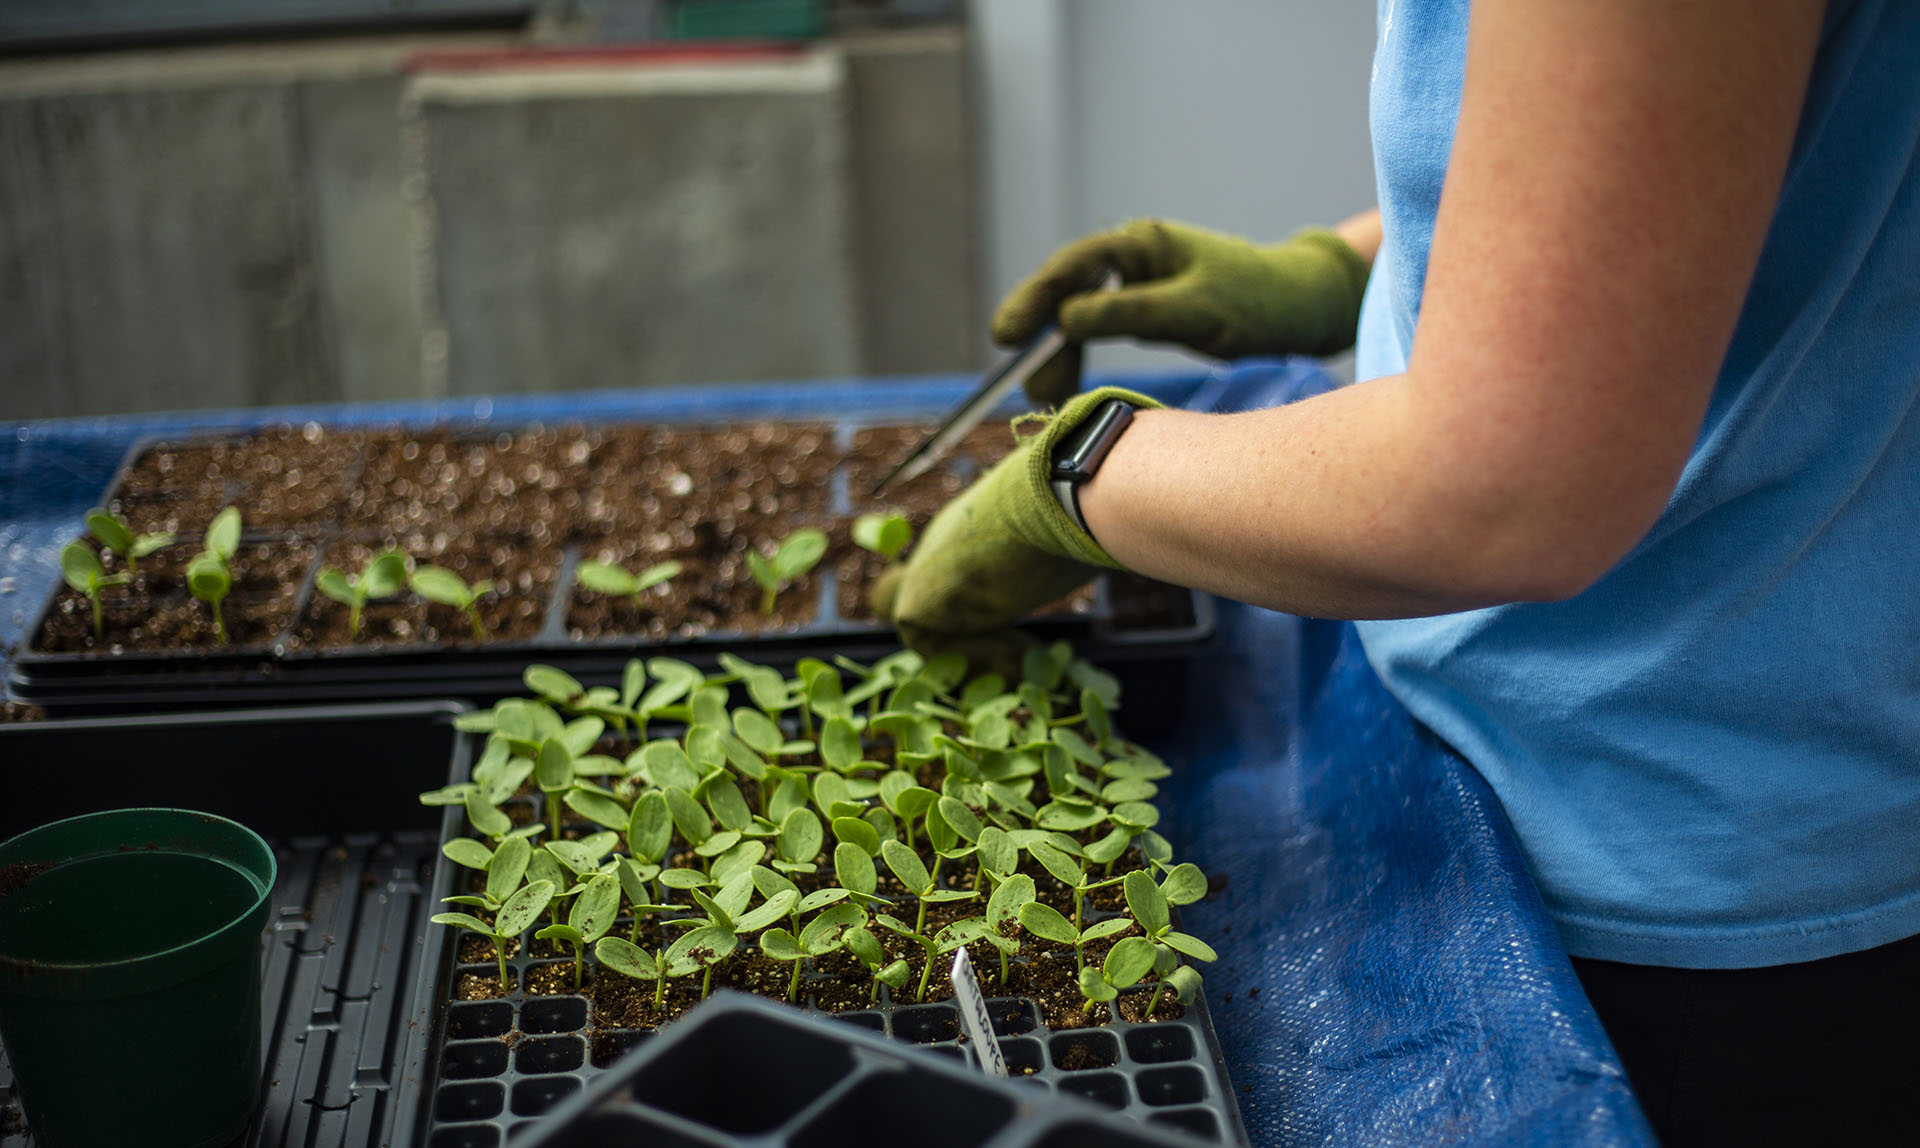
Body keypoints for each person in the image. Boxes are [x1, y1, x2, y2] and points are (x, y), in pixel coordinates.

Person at [876, 2, 1920, 1144]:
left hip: (1681, 880)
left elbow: (1506, 493)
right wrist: (1348, 268)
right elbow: (1649, 154)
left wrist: (1079, 479)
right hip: (1511, 756)